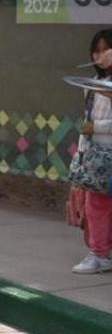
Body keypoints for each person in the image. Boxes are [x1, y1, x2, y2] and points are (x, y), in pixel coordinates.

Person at [71, 30, 112, 275]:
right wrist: (82, 156)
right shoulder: (91, 84)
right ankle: (99, 253)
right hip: (98, 157)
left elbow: (93, 124)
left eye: (106, 49)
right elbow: (87, 123)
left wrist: (96, 127)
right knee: (96, 207)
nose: (100, 55)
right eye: (96, 51)